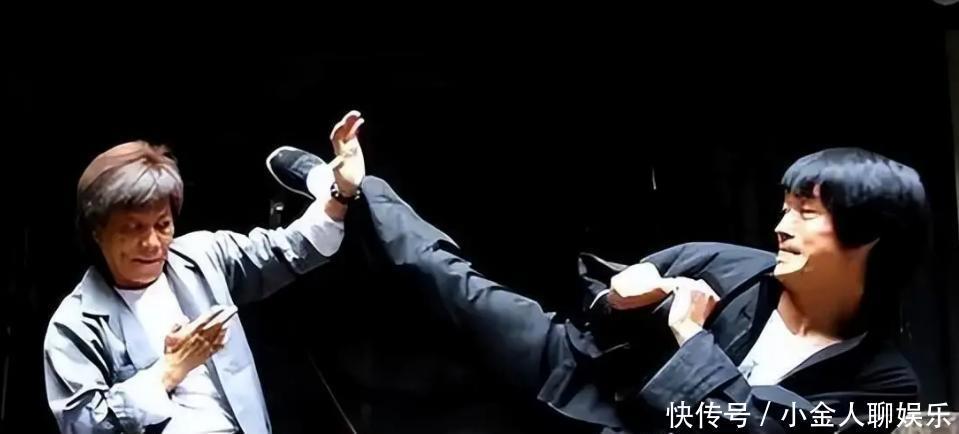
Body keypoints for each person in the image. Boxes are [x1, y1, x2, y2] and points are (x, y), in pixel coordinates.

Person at [269, 144, 927, 433]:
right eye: (784, 208)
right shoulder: (730, 264)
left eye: (805, 213)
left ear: (870, 236)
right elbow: (596, 310)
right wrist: (619, 299)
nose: (781, 226)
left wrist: (691, 337)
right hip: (587, 375)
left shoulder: (886, 388)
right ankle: (350, 186)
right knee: (450, 282)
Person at [43, 111, 367, 434]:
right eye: (133, 228)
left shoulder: (203, 255)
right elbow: (82, 426)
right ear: (97, 232)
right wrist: (170, 370)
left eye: (162, 225)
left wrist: (341, 192)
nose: (152, 243)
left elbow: (290, 250)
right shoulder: (74, 325)